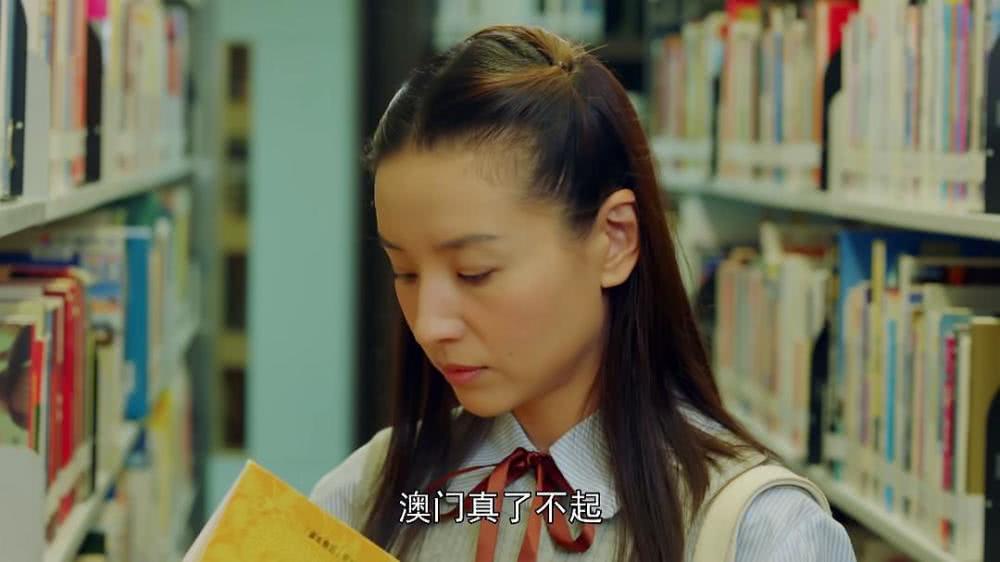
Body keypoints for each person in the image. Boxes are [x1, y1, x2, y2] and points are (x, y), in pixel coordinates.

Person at [311, 25, 856, 562]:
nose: (429, 325)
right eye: (405, 272)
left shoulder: (763, 534)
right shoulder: (362, 496)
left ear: (614, 239)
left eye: (475, 272)